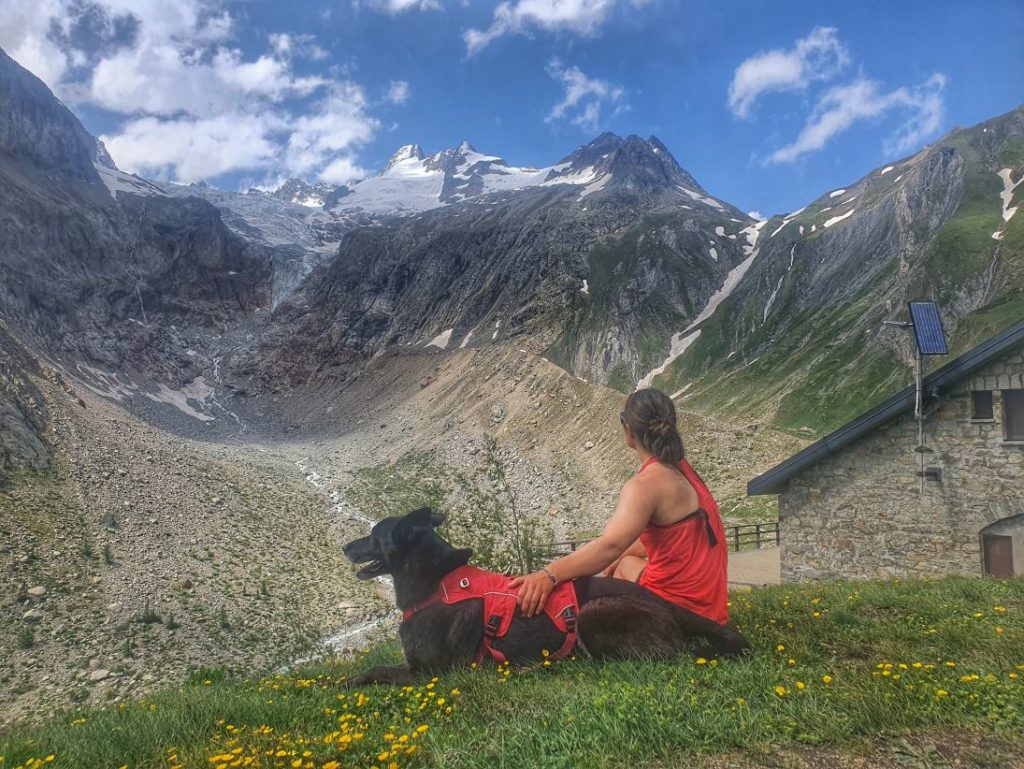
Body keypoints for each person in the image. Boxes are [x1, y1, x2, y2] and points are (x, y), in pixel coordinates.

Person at [510, 388, 729, 625]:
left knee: (612, 572)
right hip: (711, 612)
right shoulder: (683, 469)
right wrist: (620, 555)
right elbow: (667, 540)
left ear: (629, 430)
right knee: (623, 561)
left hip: (680, 614)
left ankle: (640, 626)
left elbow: (609, 546)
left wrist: (549, 574)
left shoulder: (645, 485)